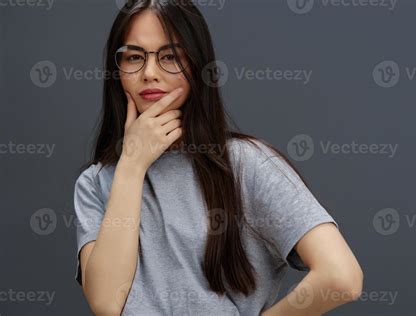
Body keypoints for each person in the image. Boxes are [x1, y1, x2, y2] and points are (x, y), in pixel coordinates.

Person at [73, 1, 364, 315]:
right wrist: (131, 166)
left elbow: (341, 277)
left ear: (198, 65)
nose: (150, 73)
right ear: (117, 71)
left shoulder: (246, 165)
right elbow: (106, 303)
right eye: (134, 57)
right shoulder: (95, 183)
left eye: (170, 56)